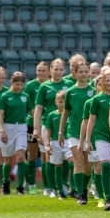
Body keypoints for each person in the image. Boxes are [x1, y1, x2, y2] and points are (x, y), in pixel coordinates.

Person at [33, 59, 69, 196]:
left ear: (64, 70)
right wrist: (36, 128)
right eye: (56, 69)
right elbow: (38, 108)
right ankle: (50, 187)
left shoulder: (69, 84)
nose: (58, 72)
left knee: (66, 157)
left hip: (66, 126)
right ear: (51, 70)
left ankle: (63, 184)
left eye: (61, 69)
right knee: (48, 157)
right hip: (48, 126)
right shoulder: (44, 87)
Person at [60, 62, 94, 203]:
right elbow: (65, 113)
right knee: (78, 161)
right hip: (73, 131)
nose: (84, 74)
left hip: (90, 132)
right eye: (81, 72)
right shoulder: (70, 92)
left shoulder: (93, 91)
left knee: (87, 166)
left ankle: (83, 188)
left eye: (86, 71)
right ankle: (80, 194)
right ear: (75, 73)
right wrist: (60, 132)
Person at [86, 67, 110, 211]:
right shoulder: (97, 99)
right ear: (103, 82)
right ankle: (109, 198)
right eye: (107, 80)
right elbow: (91, 121)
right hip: (101, 136)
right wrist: (87, 139)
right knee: (105, 165)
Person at [0, 72, 31, 195]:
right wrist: (2, 130)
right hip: (8, 127)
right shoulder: (5, 96)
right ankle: (5, 184)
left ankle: (20, 186)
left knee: (21, 156)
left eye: (21, 84)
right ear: (12, 83)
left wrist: (38, 124)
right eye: (17, 84)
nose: (19, 87)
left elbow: (32, 111)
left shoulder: (25, 96)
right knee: (8, 160)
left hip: (21, 127)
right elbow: (0, 115)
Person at [24, 61, 49, 194]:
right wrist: (35, 119)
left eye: (43, 70)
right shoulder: (30, 85)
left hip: (49, 124)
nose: (40, 73)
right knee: (32, 155)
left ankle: (48, 185)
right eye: (39, 70)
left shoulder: (51, 85)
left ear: (49, 72)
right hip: (31, 124)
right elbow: (27, 104)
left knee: (48, 155)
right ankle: (31, 183)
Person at [44, 90, 72, 199]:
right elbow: (48, 131)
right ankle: (58, 190)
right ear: (56, 101)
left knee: (71, 164)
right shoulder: (52, 115)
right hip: (55, 142)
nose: (62, 104)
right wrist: (47, 144)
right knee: (57, 166)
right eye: (60, 102)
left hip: (68, 141)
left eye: (64, 102)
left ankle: (68, 186)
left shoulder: (70, 114)